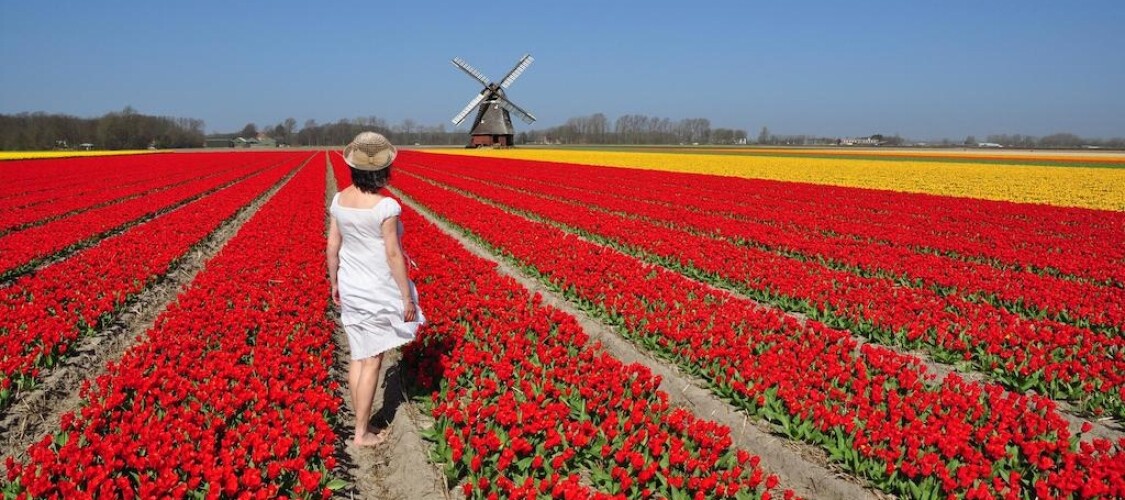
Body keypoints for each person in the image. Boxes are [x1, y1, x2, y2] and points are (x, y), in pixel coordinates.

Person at [327, 131, 425, 447]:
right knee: (372, 360)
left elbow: (332, 244)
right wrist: (406, 296)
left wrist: (334, 281)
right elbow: (393, 254)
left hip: (352, 285)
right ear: (383, 170)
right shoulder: (386, 206)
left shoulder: (339, 200)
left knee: (360, 355)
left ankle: (361, 424)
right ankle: (361, 432)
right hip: (377, 288)